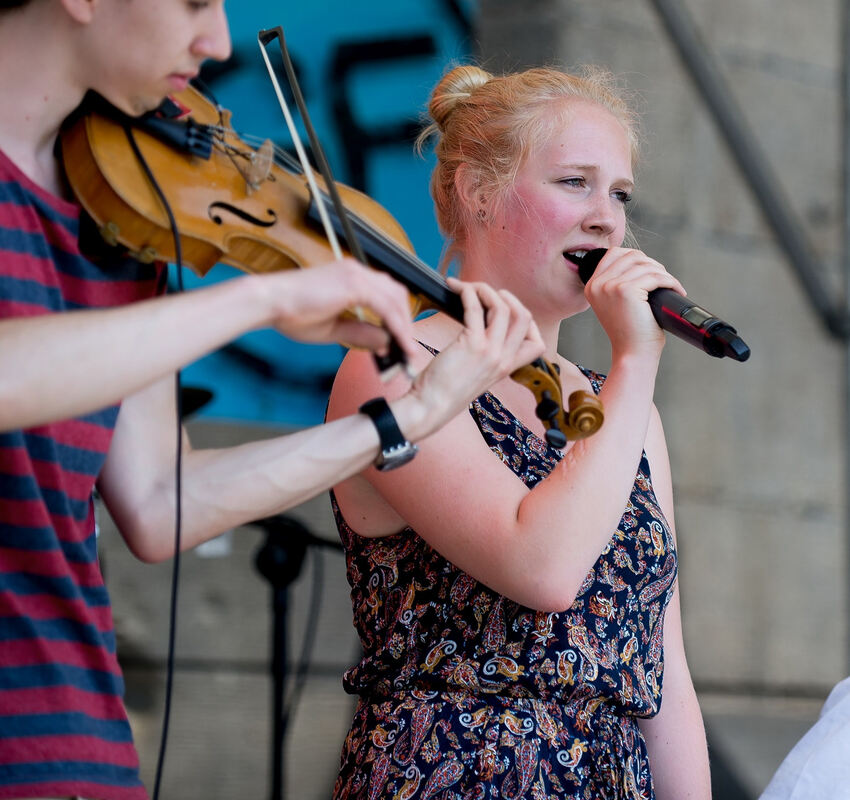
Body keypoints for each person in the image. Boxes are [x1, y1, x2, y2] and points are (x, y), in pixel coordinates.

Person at [0, 3, 545, 799]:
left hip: (71, 745)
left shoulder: (117, 208)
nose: (217, 40)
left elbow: (161, 502)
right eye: (194, 1)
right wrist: (258, 302)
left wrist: (402, 421)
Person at [326, 63, 713, 799]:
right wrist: (637, 359)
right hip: (456, 773)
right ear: (478, 191)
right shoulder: (393, 366)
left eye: (620, 193)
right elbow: (541, 568)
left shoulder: (625, 405)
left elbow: (665, 671)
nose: (607, 217)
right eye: (575, 183)